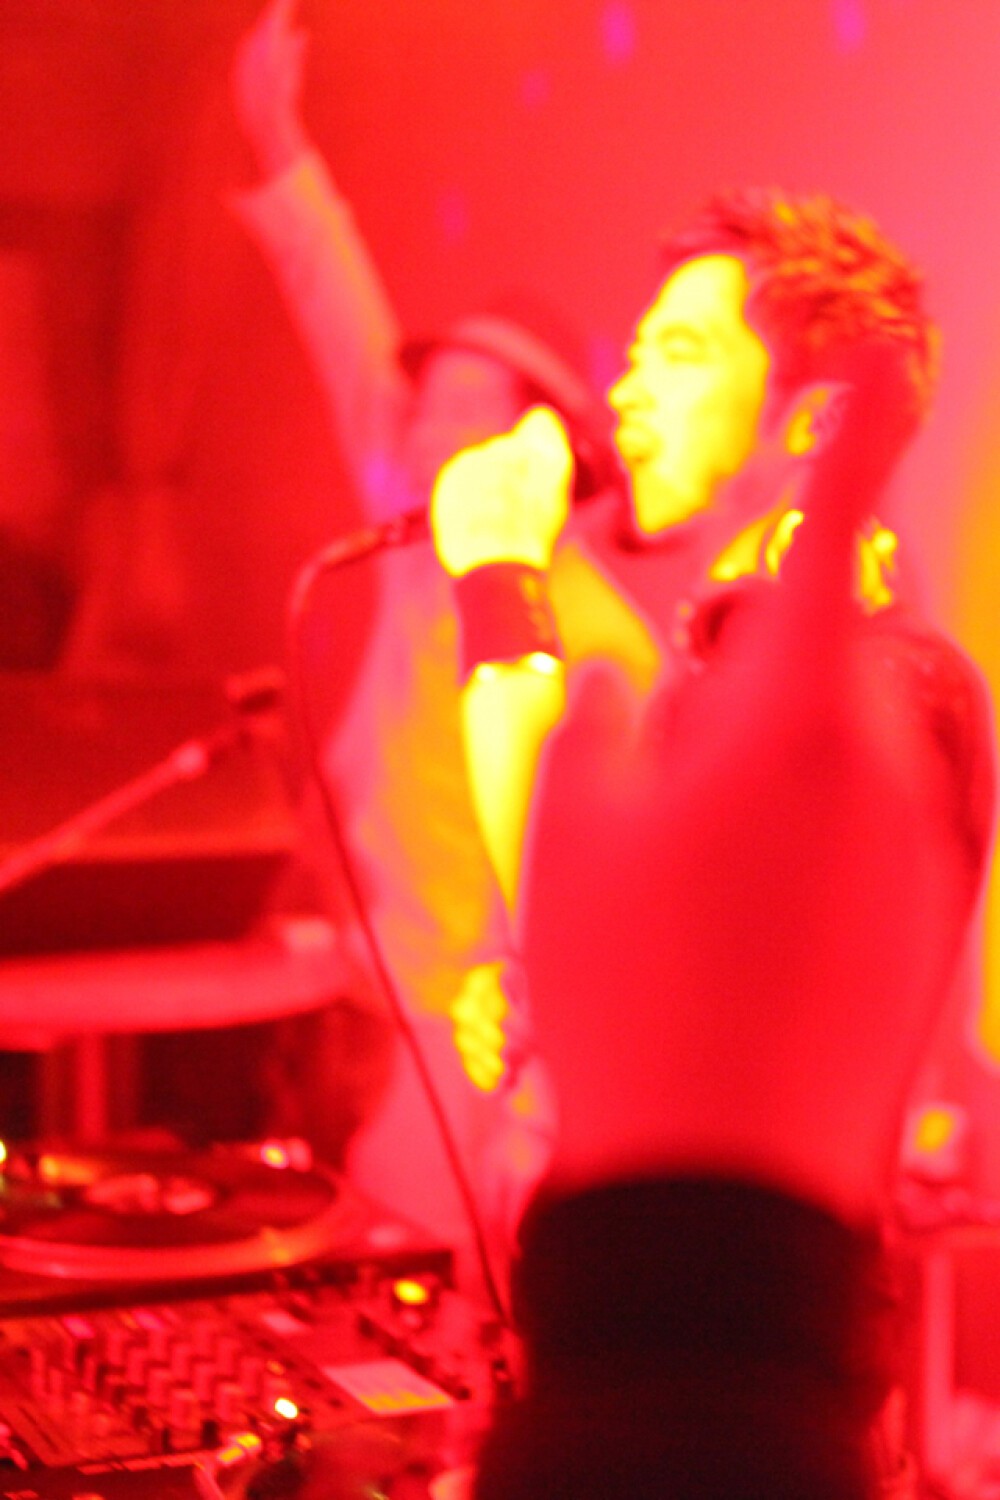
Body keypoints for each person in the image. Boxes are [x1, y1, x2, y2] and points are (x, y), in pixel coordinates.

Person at [429, 192, 996, 1496]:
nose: (626, 389)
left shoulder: (875, 687)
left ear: (816, 422)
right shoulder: (724, 673)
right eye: (632, 353)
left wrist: (499, 588)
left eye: (679, 353)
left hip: (735, 1392)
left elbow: (623, 951)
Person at [228, 0, 650, 1252]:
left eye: (466, 407)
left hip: (477, 1033)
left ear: (543, 448)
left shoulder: (598, 641)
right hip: (360, 987)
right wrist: (280, 146)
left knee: (420, 1251)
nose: (423, 429)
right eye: (427, 404)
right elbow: (350, 342)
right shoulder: (421, 550)